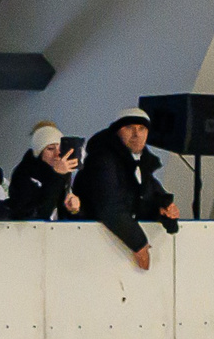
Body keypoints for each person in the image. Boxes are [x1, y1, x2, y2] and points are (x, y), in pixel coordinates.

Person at [75, 107, 179, 268]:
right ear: (117, 132)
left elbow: (149, 197)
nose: (136, 134)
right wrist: (139, 244)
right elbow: (109, 206)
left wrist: (165, 211)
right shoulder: (102, 160)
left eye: (142, 129)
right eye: (129, 128)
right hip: (90, 249)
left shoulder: (143, 164)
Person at [10, 123, 82, 221]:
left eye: (60, 148)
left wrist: (74, 210)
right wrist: (57, 176)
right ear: (39, 152)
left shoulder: (64, 173)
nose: (57, 153)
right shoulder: (23, 174)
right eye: (51, 149)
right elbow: (38, 213)